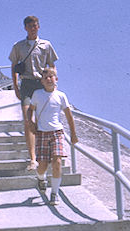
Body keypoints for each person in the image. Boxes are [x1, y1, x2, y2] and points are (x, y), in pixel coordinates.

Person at [8, 16, 58, 171]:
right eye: (30, 26)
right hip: (27, 84)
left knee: (43, 118)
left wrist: (53, 84)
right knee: (28, 119)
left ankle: (45, 154)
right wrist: (16, 86)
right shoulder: (18, 46)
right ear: (25, 28)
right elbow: (14, 66)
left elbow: (52, 66)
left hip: (41, 84)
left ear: (38, 27)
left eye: (35, 26)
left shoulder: (46, 45)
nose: (33, 28)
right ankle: (32, 159)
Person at [28, 67, 78, 205]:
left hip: (57, 132)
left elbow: (69, 116)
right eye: (45, 78)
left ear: (56, 79)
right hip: (42, 133)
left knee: (57, 162)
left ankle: (54, 193)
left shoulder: (61, 96)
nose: (49, 79)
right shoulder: (37, 94)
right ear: (42, 82)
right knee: (42, 166)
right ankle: (41, 178)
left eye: (51, 76)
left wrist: (73, 134)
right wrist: (30, 122)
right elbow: (30, 110)